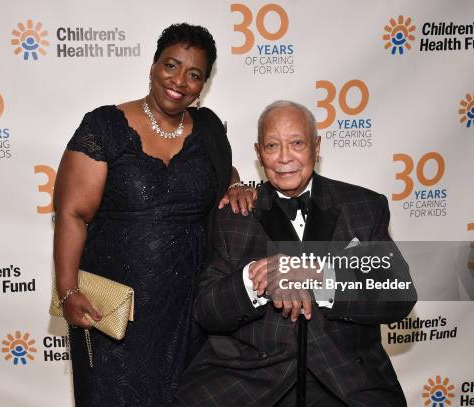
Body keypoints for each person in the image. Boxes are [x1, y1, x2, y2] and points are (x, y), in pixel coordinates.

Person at [53, 23, 256, 407]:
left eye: (194, 74)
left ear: (204, 84)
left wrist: (234, 184)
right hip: (113, 310)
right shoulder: (106, 126)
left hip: (188, 312)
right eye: (171, 65)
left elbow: (219, 170)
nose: (179, 81)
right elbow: (72, 214)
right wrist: (68, 290)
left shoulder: (209, 128)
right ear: (152, 66)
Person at [174, 101, 417, 406]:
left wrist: (321, 275)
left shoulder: (364, 206)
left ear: (316, 146)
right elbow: (207, 312)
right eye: (273, 145)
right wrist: (255, 278)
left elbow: (399, 295)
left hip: (346, 381)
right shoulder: (234, 215)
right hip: (252, 382)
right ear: (259, 152)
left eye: (297, 143)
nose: (284, 157)